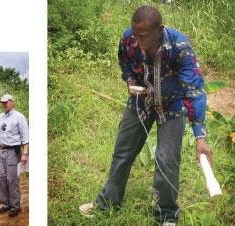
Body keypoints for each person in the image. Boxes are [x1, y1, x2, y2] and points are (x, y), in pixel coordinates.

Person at [79, 6, 212, 225]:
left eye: (143, 35)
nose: (137, 39)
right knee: (122, 152)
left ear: (159, 29)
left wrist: (200, 135)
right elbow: (125, 63)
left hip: (172, 106)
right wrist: (131, 80)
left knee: (167, 161)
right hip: (141, 101)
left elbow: (194, 89)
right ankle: (108, 202)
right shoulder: (129, 39)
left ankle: (167, 215)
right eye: (134, 33)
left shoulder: (180, 46)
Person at [0, 94, 29, 218]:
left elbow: (25, 137)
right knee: (1, 178)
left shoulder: (19, 117)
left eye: (6, 102)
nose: (4, 105)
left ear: (12, 102)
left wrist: (25, 153)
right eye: (2, 103)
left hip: (12, 151)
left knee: (12, 179)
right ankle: (5, 204)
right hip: (0, 151)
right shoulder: (0, 117)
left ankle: (15, 206)